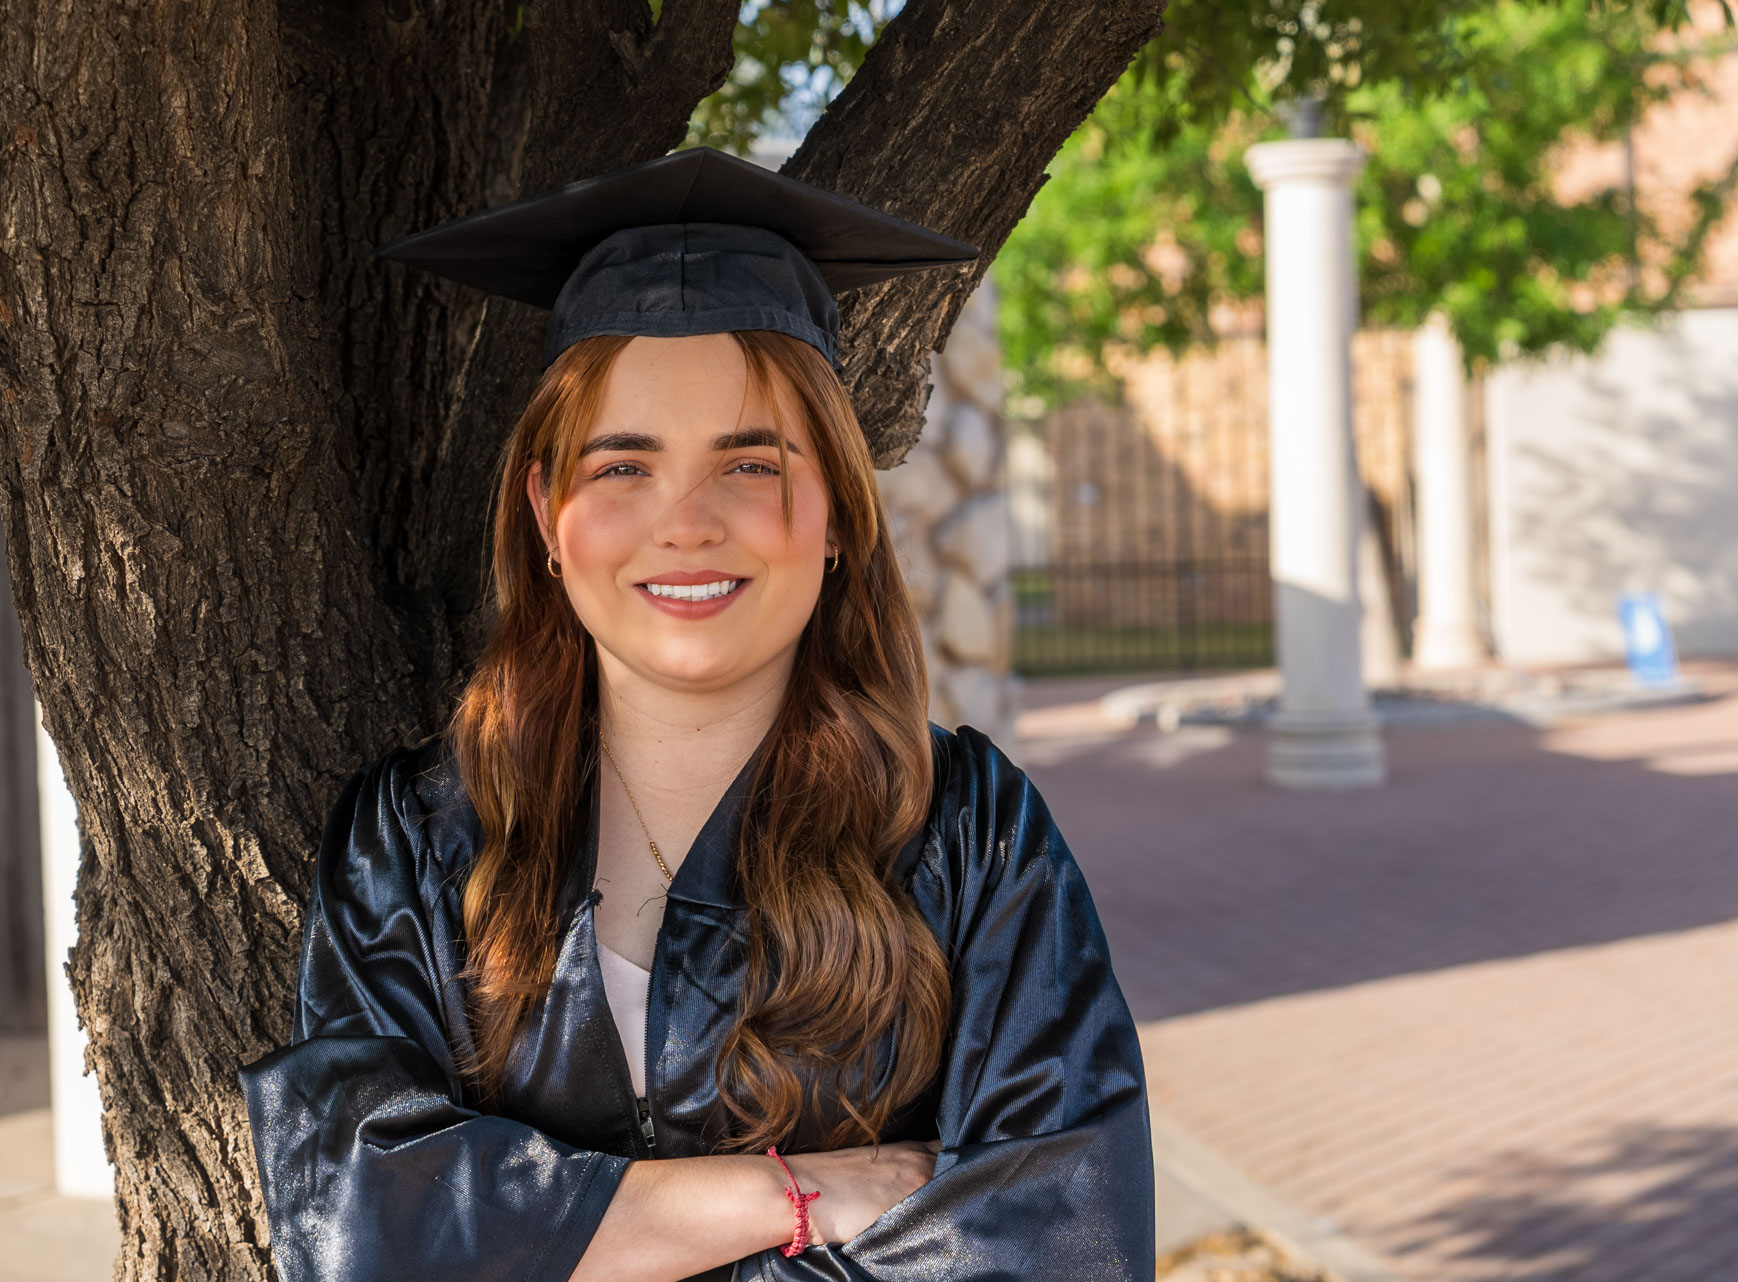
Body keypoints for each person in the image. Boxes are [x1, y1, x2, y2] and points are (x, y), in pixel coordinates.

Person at [237, 147, 1154, 1282]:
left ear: (833, 511)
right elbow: (359, 1224)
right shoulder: (417, 838)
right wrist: (800, 1196)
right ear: (545, 511)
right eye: (622, 466)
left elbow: (1057, 1243)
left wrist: (555, 1234)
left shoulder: (970, 833)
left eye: (750, 463)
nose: (686, 522)